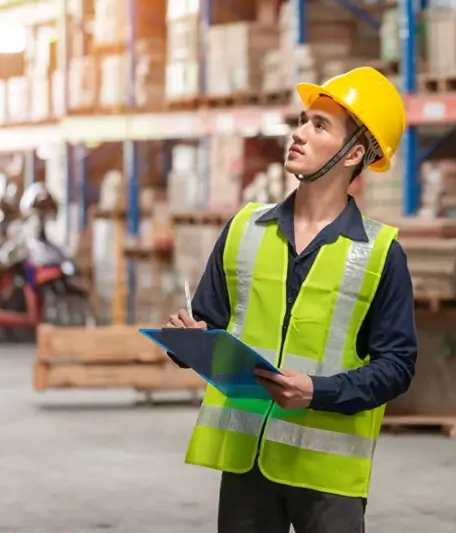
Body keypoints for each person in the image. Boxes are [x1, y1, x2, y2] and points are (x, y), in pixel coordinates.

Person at [164, 67, 418, 532]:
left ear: (354, 153)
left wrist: (317, 392)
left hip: (328, 476)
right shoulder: (244, 229)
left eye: (320, 126)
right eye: (303, 120)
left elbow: (397, 366)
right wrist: (192, 341)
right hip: (246, 464)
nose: (299, 134)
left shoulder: (382, 255)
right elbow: (209, 322)